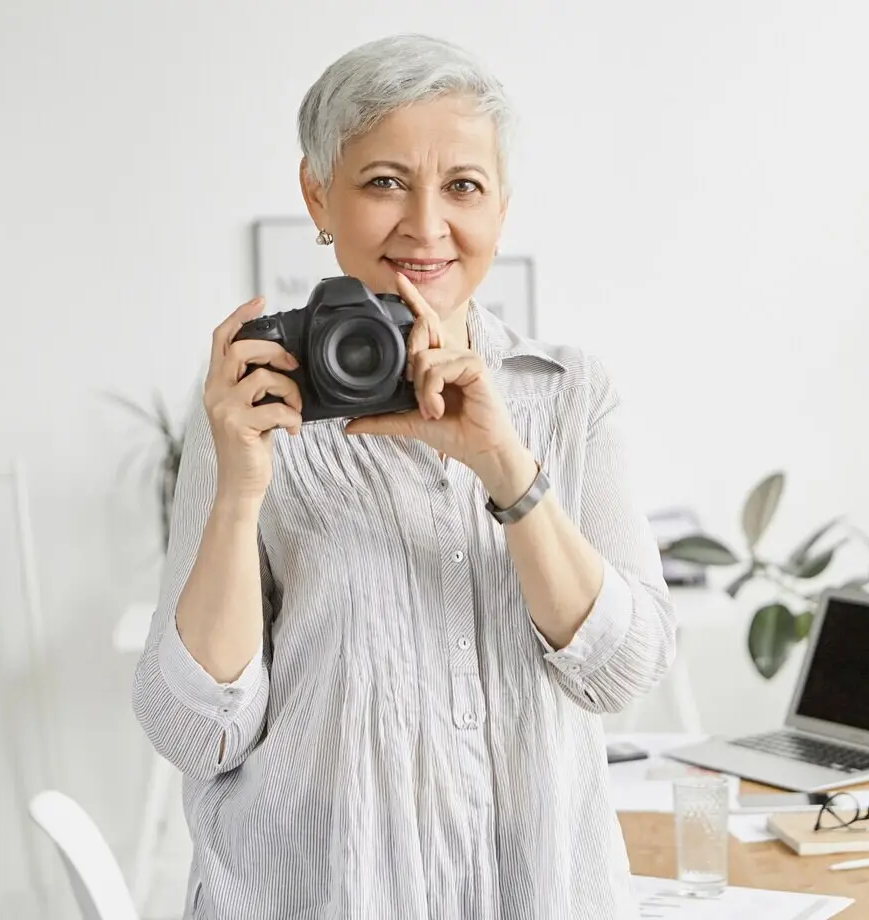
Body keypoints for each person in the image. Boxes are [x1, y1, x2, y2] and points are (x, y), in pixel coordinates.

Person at [131, 32, 677, 920]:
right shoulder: (255, 403)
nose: (427, 226)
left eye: (463, 186)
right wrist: (239, 491)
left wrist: (506, 468)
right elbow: (197, 732)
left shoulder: (568, 396)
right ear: (318, 193)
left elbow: (623, 672)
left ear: (502, 206)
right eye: (385, 182)